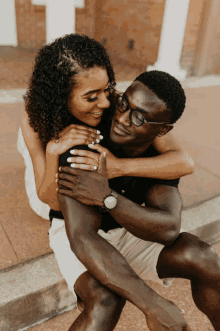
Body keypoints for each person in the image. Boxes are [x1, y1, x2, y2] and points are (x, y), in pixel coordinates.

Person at [20, 33, 194, 330]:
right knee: (40, 176)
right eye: (91, 97)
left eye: (108, 88)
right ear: (62, 96)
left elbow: (184, 162)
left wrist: (117, 167)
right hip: (50, 191)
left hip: (103, 206)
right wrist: (52, 151)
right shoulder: (34, 121)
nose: (105, 102)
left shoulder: (115, 102)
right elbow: (49, 200)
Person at [56, 70, 220, 331]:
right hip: (80, 232)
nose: (122, 119)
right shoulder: (88, 140)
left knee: (201, 256)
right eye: (124, 103)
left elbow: (168, 229)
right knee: (105, 299)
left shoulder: (160, 154)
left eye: (139, 117)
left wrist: (109, 194)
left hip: (127, 225)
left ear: (163, 130)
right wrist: (153, 305)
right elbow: (82, 237)